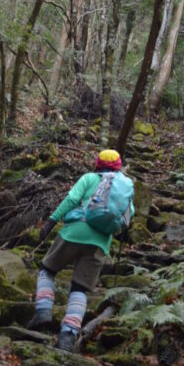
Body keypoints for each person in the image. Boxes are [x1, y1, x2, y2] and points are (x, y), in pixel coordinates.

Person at [28, 148, 134, 351]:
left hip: (74, 232)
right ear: (119, 167)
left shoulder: (88, 178)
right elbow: (128, 217)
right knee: (79, 288)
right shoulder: (125, 188)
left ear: (97, 164)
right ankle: (67, 336)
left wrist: (51, 221)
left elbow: (71, 200)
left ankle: (43, 311)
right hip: (100, 242)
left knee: (47, 270)